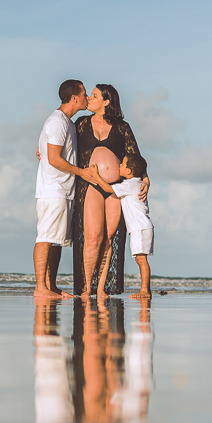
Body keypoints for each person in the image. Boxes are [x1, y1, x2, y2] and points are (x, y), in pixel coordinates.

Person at [34, 80, 114, 299]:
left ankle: (51, 286)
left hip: (65, 191)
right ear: (75, 97)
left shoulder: (68, 123)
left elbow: (50, 151)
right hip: (53, 190)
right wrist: (81, 172)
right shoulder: (57, 122)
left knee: (57, 240)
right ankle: (40, 287)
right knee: (45, 237)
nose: (87, 97)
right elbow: (53, 159)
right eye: (84, 93)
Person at [70, 84, 148, 297]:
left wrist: (146, 178)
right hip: (91, 186)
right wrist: (43, 150)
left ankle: (102, 288)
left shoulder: (122, 127)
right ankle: (86, 288)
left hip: (116, 190)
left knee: (109, 238)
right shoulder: (81, 124)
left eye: (94, 96)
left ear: (106, 101)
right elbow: (63, 144)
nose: (89, 99)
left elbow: (136, 157)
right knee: (93, 237)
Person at [111, 153, 154, 299]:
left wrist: (95, 176)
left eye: (122, 164)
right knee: (140, 259)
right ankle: (146, 289)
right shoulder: (136, 183)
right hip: (141, 227)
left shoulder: (129, 184)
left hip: (139, 227)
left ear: (129, 171)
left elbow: (109, 189)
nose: (119, 166)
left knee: (141, 260)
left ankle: (144, 290)